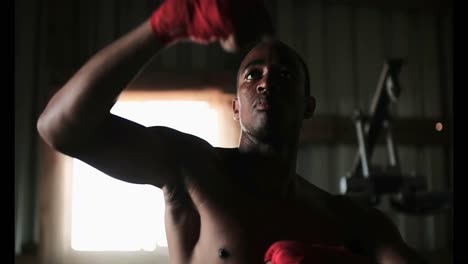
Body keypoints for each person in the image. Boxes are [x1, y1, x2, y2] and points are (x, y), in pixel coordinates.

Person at [37, 0, 427, 263]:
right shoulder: (194, 170)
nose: (266, 82)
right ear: (236, 105)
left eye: (285, 75)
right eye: (252, 74)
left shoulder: (352, 221)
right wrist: (161, 29)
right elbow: (60, 128)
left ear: (308, 105)